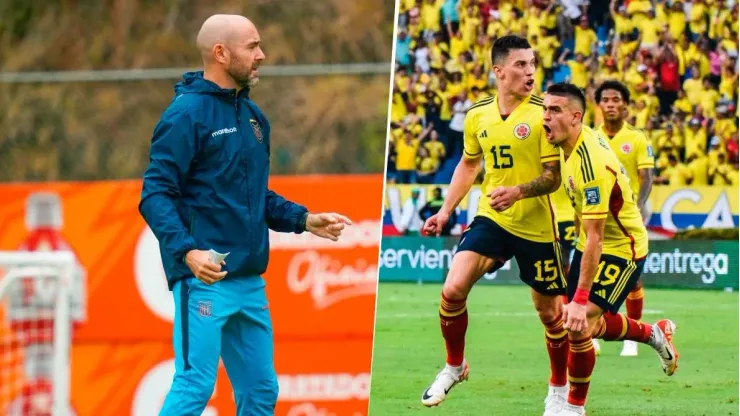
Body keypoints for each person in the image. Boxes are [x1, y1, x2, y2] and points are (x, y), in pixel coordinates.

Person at [138, 14, 352, 416]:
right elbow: (154, 194)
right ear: (221, 53)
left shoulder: (254, 118)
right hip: (206, 279)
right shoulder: (184, 115)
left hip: (249, 283)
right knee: (195, 386)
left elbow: (255, 195)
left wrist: (304, 219)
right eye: (252, 47)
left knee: (260, 392)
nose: (262, 55)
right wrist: (188, 252)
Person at [420, 36, 568, 415]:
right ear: (498, 71)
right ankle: (454, 367)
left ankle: (557, 389)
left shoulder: (544, 115)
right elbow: (470, 165)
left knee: (551, 315)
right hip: (493, 216)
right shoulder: (478, 115)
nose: (530, 71)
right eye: (520, 65)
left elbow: (553, 177)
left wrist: (518, 191)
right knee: (453, 288)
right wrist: (446, 211)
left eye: (533, 63)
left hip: (537, 226)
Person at [541, 83, 679, 416]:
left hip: (622, 247)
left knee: (580, 321)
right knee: (576, 321)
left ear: (575, 117)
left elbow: (596, 239)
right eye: (545, 109)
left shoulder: (591, 163)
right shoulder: (570, 140)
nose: (545, 118)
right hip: (587, 242)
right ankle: (653, 333)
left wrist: (581, 298)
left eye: (553, 111)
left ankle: (574, 408)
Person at [593, 80, 655, 357]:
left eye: (616, 99)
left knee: (633, 278)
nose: (611, 104)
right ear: (599, 105)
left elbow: (647, 177)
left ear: (625, 105)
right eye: (605, 100)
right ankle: (592, 327)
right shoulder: (591, 138)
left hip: (629, 215)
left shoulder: (637, 138)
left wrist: (640, 206)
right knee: (592, 271)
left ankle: (633, 334)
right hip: (598, 215)